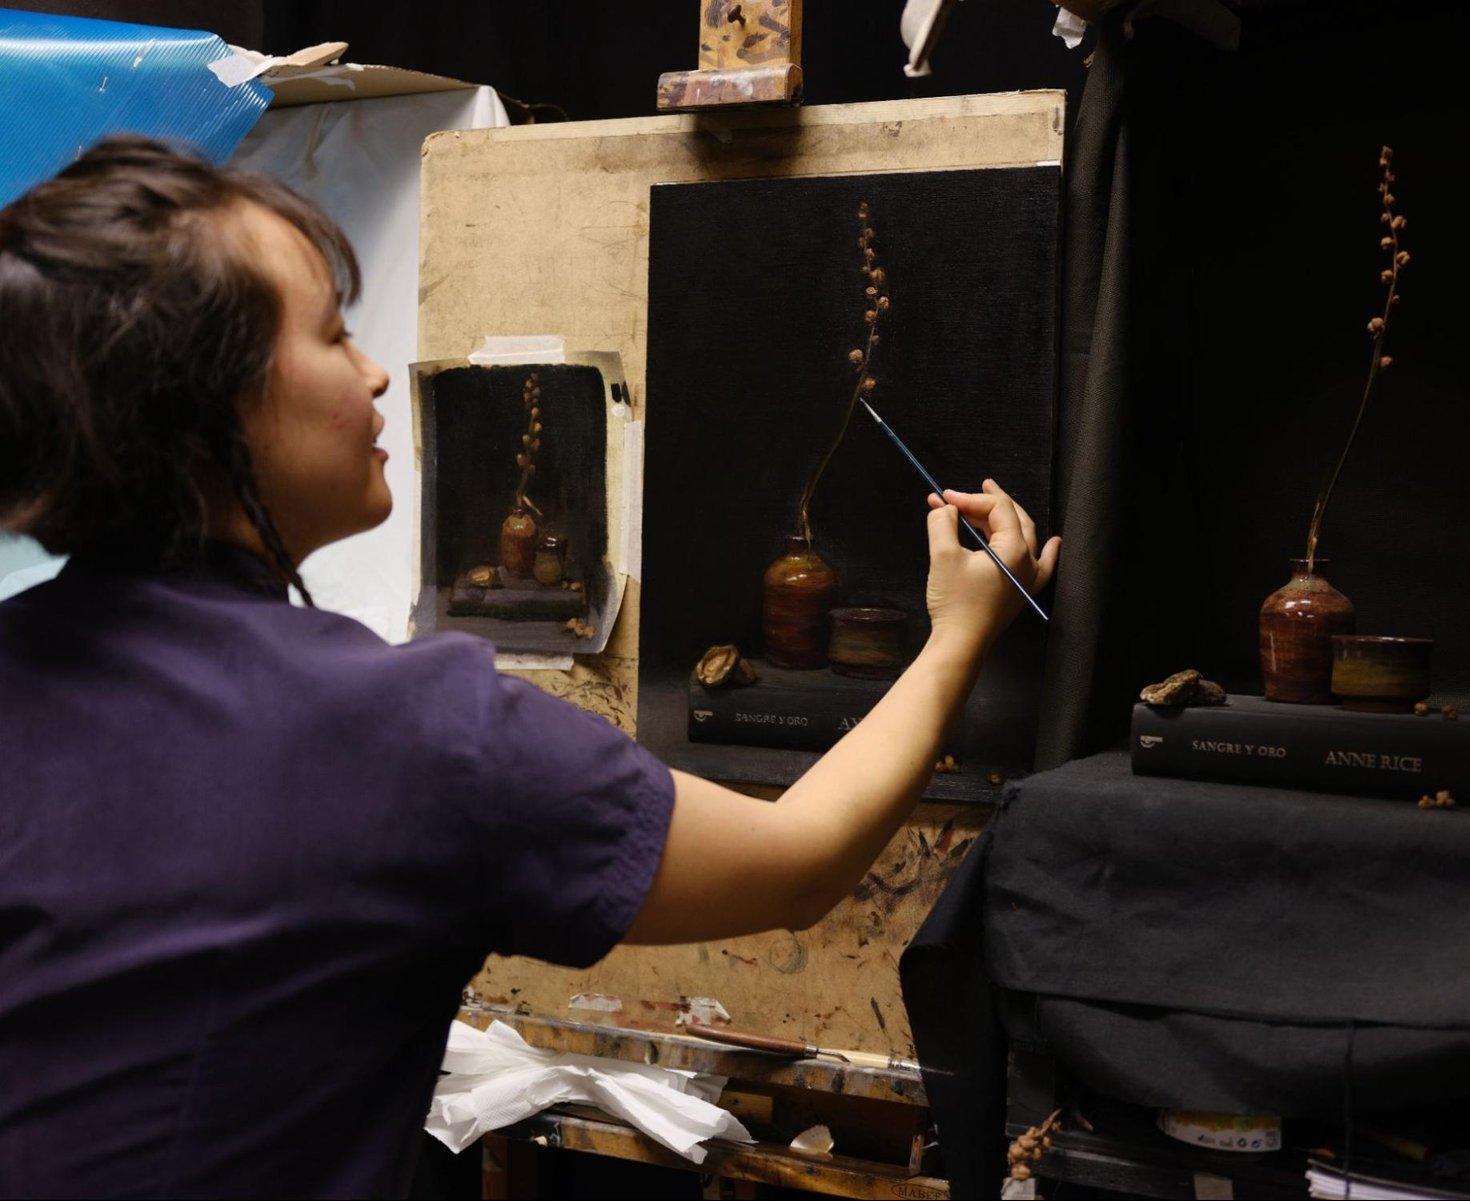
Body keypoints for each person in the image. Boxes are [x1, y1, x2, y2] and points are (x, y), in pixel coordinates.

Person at [0, 136, 1059, 1198]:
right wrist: (956, 638)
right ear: (202, 410)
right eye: (330, 334)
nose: (374, 370)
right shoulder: (406, 733)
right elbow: (797, 861)